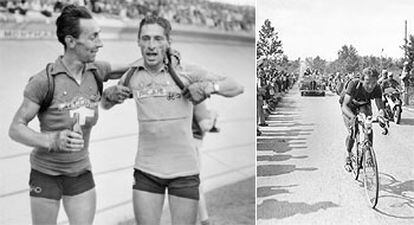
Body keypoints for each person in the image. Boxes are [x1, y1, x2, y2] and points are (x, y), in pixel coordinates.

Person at [101, 14, 244, 225]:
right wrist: (109, 97)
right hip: (146, 172)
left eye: (158, 39)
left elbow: (236, 86)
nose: (151, 45)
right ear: (138, 41)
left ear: (168, 42)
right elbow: (105, 104)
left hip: (184, 172)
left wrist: (209, 88)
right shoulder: (132, 75)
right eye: (146, 38)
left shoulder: (186, 71)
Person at [8, 5, 129, 225]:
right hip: (45, 173)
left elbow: (134, 69)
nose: (100, 43)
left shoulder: (96, 71)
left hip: (81, 172)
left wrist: (165, 56)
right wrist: (52, 140)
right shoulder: (44, 81)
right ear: (71, 41)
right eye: (93, 37)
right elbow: (15, 128)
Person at [341, 67, 386, 172]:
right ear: (362, 80)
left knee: (368, 123)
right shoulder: (354, 84)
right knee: (353, 129)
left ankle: (368, 153)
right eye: (367, 82)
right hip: (349, 105)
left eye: (374, 82)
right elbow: (345, 105)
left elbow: (380, 107)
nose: (371, 86)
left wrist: (381, 116)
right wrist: (353, 118)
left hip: (363, 104)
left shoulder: (377, 88)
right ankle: (348, 154)